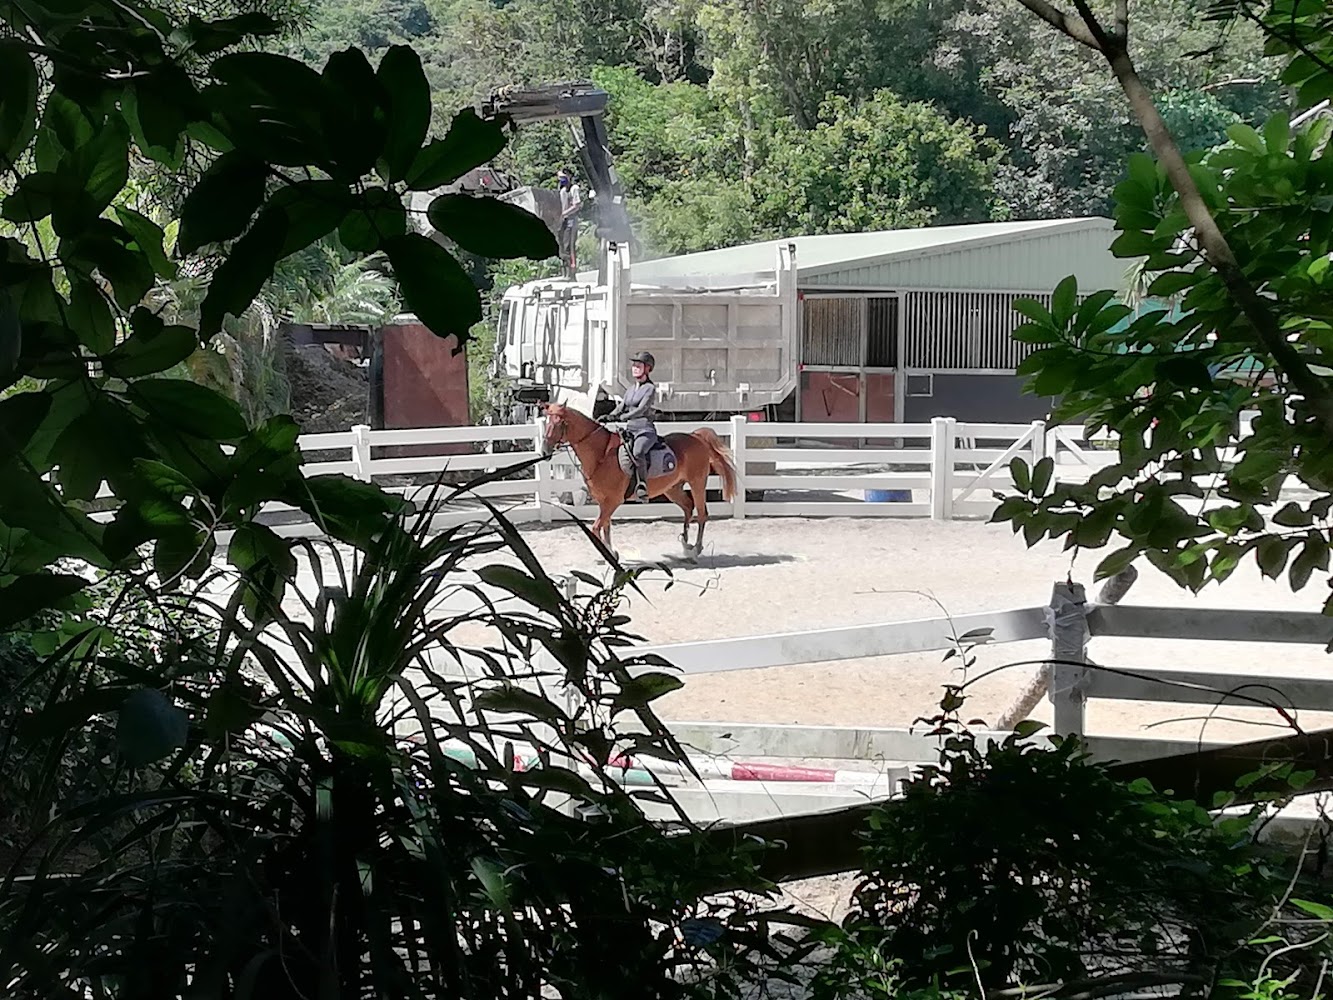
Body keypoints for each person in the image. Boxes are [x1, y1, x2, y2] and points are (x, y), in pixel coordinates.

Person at [599, 351, 658, 501]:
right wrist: (610, 415)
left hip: (645, 429)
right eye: (634, 365)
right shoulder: (631, 389)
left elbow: (642, 409)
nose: (635, 368)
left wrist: (624, 417)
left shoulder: (650, 389)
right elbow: (622, 406)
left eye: (638, 365)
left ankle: (642, 485)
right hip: (630, 429)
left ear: (647, 368)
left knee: (638, 452)